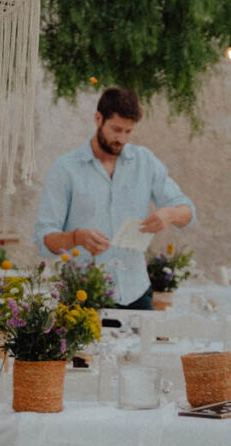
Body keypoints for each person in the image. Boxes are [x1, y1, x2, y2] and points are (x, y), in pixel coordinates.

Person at [34, 87, 194, 312]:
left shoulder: (145, 161)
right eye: (116, 129)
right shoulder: (65, 169)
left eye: (128, 131)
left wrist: (169, 214)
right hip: (83, 295)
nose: (122, 139)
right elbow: (44, 239)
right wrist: (76, 237)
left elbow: (187, 211)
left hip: (136, 293)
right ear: (98, 119)